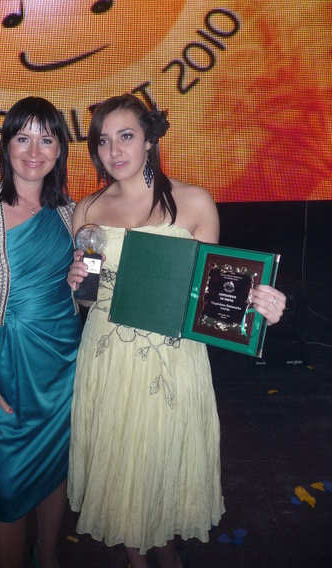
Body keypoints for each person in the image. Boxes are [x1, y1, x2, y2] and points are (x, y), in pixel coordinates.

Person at [66, 94, 286, 568]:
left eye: (126, 136)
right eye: (103, 141)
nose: (114, 151)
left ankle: (167, 557)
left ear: (150, 140)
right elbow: (87, 298)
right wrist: (76, 283)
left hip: (171, 362)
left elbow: (214, 295)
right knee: (121, 467)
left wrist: (258, 303)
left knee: (160, 467)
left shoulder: (194, 202)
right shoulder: (86, 210)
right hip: (107, 358)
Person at [0, 97, 82, 568]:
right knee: (7, 486)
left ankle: (47, 555)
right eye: (23, 138)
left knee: (54, 468)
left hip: (63, 364)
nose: (34, 151)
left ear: (60, 149)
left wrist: (79, 281)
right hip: (4, 365)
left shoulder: (71, 212)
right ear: (6, 146)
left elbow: (81, 288)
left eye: (46, 139)